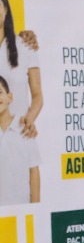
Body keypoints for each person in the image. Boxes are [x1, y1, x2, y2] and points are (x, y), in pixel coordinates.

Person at [0, 0, 42, 139]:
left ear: (5, 8)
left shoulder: (25, 46)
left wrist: (29, 119)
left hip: (19, 136)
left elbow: (37, 95)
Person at [0, 75, 39, 204]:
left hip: (21, 208)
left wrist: (36, 208)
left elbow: (34, 171)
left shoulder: (25, 128)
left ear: (9, 97)